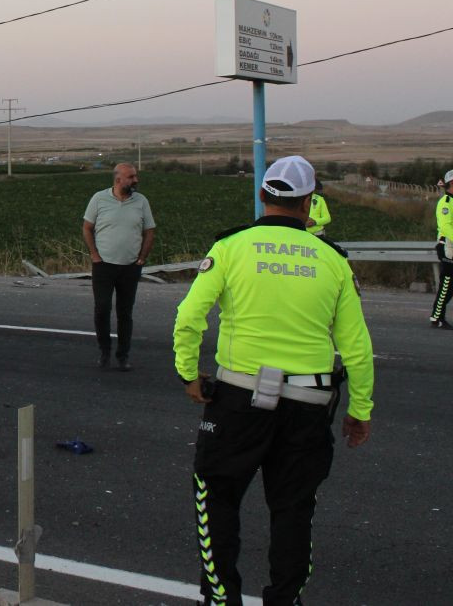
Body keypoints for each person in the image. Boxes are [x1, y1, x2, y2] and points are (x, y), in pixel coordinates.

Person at [173, 155, 374, 606]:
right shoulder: (334, 260)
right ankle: (285, 599)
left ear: (263, 196)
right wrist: (360, 410)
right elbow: (357, 349)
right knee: (294, 508)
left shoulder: (230, 247)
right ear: (308, 204)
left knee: (215, 494)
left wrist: (188, 373)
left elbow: (189, 317)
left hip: (237, 400)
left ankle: (221, 598)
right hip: (308, 403)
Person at [81, 163, 155, 371]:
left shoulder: (141, 202)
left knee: (125, 312)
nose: (135, 180)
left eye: (136, 176)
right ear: (118, 179)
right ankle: (104, 350)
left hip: (130, 267)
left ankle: (123, 356)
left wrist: (141, 258)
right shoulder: (99, 199)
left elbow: (150, 231)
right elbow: (87, 228)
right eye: (131, 177)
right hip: (104, 266)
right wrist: (95, 255)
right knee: (102, 308)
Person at [429, 169, 453, 328]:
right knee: (447, 283)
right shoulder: (445, 202)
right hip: (447, 247)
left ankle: (437, 316)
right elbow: (445, 227)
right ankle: (436, 318)